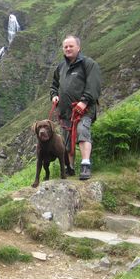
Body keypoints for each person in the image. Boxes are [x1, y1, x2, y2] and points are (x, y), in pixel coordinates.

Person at [50, 35, 102, 180]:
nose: (68, 49)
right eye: (65, 46)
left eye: (71, 46)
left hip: (83, 110)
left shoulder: (88, 64)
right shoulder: (61, 66)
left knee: (82, 131)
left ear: (78, 47)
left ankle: (85, 165)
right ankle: (70, 168)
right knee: (66, 140)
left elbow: (94, 85)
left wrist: (84, 101)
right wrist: (54, 95)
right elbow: (54, 84)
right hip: (65, 111)